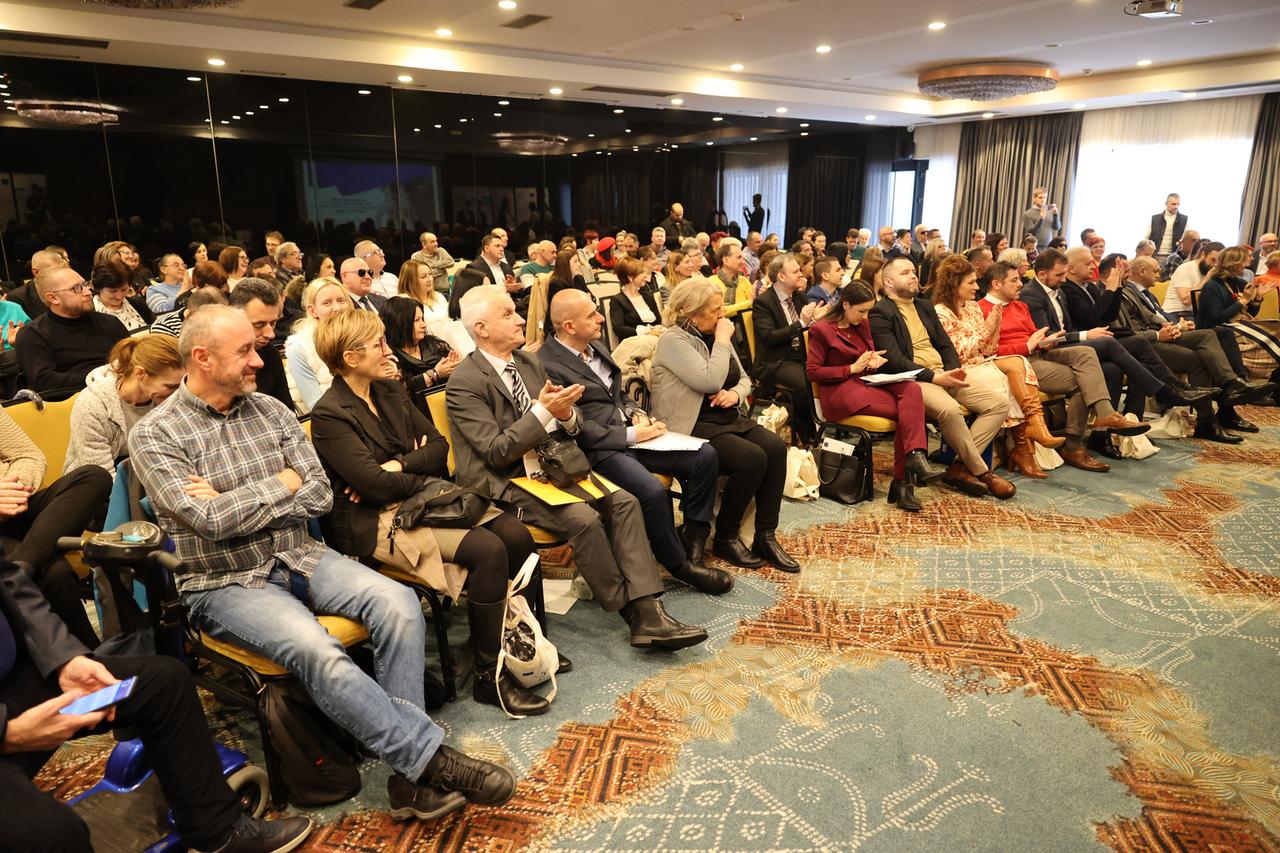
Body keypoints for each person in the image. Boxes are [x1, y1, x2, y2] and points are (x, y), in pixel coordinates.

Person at [130, 305, 515, 820]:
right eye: (244, 352)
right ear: (202, 358)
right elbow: (209, 522)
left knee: (400, 603)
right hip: (225, 580)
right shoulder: (155, 434)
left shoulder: (271, 411)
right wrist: (280, 483)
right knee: (319, 649)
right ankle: (426, 763)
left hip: (301, 554)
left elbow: (317, 495)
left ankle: (410, 773)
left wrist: (239, 496)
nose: (259, 361)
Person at [308, 309, 552, 715]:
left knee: (516, 535)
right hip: (375, 521)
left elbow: (439, 449)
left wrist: (399, 465)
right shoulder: (330, 414)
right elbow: (374, 486)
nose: (389, 351)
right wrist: (407, 467)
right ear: (350, 358)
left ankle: (522, 645)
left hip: (424, 498)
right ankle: (488, 677)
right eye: (378, 344)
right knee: (488, 550)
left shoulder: (388, 390)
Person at [446, 286, 709, 649]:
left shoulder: (527, 362)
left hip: (553, 466)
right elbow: (497, 452)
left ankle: (650, 609)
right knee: (583, 519)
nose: (520, 319)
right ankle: (630, 612)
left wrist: (567, 415)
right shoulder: (464, 382)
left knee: (624, 502)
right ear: (481, 328)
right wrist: (544, 411)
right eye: (508, 314)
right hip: (506, 481)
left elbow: (570, 425)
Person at [0, 557, 314, 853]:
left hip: (16, 684)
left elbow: (8, 578)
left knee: (164, 683)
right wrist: (9, 733)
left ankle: (218, 834)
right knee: (55, 833)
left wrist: (64, 658)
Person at [541, 289, 730, 593]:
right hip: (598, 449)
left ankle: (693, 540)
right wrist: (629, 434)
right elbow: (570, 426)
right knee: (651, 490)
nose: (601, 318)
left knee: (705, 455)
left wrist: (636, 413)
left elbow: (617, 394)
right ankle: (679, 566)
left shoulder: (594, 346)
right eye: (592, 315)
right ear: (569, 326)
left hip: (631, 435)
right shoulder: (547, 364)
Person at [650, 278, 799, 571]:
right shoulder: (674, 340)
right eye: (715, 310)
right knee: (751, 458)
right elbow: (709, 380)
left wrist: (735, 394)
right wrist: (721, 340)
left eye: (722, 308)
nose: (723, 315)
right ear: (693, 314)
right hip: (690, 424)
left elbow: (744, 377)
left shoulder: (716, 332)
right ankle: (726, 536)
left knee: (775, 447)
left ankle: (765, 535)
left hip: (726, 416)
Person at [869, 257, 1016, 499]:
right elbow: (894, 360)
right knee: (951, 410)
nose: (913, 276)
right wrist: (934, 377)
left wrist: (952, 370)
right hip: (914, 379)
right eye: (905, 273)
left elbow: (946, 345)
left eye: (913, 271)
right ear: (888, 282)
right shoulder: (880, 312)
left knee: (999, 403)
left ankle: (960, 466)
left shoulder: (924, 306)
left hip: (943, 373)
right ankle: (982, 472)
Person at [980, 261, 1147, 474]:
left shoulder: (1020, 306)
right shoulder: (981, 309)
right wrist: (1027, 345)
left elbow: (1033, 335)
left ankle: (1105, 415)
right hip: (1016, 362)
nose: (1020, 283)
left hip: (1038, 353)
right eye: (1014, 280)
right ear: (996, 284)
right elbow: (987, 351)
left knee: (1085, 353)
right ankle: (1073, 446)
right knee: (1085, 381)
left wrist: (1047, 340)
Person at [1024, 249, 1211, 427]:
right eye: (1059, 274)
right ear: (1042, 274)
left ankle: (1111, 431)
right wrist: (1107, 296)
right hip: (1058, 348)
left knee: (1114, 368)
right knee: (1131, 342)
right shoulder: (1041, 294)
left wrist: (1117, 287)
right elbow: (1049, 337)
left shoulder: (1061, 290)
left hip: (1081, 342)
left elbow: (1106, 317)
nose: (1063, 278)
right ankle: (1166, 391)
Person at [806, 281, 945, 510]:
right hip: (841, 391)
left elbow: (865, 357)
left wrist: (872, 361)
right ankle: (905, 480)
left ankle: (914, 461)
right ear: (846, 305)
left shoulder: (862, 324)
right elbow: (813, 372)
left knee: (912, 390)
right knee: (909, 413)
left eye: (868, 311)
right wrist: (851, 368)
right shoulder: (821, 330)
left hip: (865, 383)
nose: (865, 316)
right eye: (861, 311)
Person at [931, 256, 1065, 479]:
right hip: (961, 368)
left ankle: (1024, 441)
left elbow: (987, 349)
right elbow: (959, 352)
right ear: (954, 285)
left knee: (1017, 368)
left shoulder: (973, 308)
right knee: (1011, 379)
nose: (977, 287)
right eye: (971, 282)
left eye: (976, 281)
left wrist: (993, 330)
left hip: (982, 363)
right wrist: (989, 328)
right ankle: (1023, 444)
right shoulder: (940, 312)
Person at [1118, 255, 1275, 440]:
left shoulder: (1143, 293)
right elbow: (1216, 317)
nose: (1248, 265)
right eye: (1124, 271)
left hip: (1163, 333)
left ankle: (1232, 389)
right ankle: (1219, 404)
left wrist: (1174, 325)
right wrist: (1168, 329)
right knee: (1206, 347)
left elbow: (1156, 315)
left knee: (1217, 335)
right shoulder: (1124, 293)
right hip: (1147, 343)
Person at [64, 335, 184, 478]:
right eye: (170, 386)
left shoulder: (169, 399)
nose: (178, 393)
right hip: (96, 482)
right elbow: (101, 474)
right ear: (140, 373)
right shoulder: (91, 405)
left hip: (147, 474)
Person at [16, 266, 129, 397]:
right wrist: (102, 378)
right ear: (53, 298)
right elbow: (44, 381)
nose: (88, 292)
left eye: (85, 284)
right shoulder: (32, 335)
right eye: (76, 288)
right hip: (70, 401)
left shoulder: (110, 322)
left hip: (122, 392)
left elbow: (132, 359)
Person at [752, 255, 821, 447]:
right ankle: (809, 436)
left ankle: (827, 425)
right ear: (781, 276)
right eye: (796, 271)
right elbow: (770, 337)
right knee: (805, 384)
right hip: (776, 360)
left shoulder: (799, 296)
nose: (801, 274)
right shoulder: (763, 302)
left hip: (800, 354)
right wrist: (802, 322)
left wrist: (816, 320)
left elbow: (806, 330)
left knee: (829, 372)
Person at [1196, 245, 1280, 397]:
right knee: (1272, 334)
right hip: (1216, 328)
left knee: (1277, 328)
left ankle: (1274, 388)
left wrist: (1258, 297)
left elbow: (1249, 313)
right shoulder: (1212, 286)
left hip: (1238, 324)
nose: (1247, 264)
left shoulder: (1238, 283)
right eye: (1244, 261)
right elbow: (1217, 317)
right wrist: (1242, 302)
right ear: (1233, 263)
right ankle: (1243, 381)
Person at [285, 277, 353, 414]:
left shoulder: (360, 335)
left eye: (341, 300)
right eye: (327, 303)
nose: (337, 308)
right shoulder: (299, 348)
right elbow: (316, 406)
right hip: (332, 419)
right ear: (312, 311)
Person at [227, 277, 293, 411]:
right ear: (233, 318)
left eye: (273, 323)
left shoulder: (270, 354)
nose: (271, 334)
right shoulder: (212, 360)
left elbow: (287, 412)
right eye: (259, 324)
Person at [381, 296, 459, 397]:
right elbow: (401, 390)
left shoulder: (433, 343)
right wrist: (434, 374)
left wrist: (454, 365)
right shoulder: (390, 355)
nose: (423, 325)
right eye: (416, 320)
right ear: (400, 323)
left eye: (422, 319)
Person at [91, 259, 154, 333]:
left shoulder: (138, 304)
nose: (119, 296)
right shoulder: (90, 315)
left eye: (124, 290)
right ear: (98, 288)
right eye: (113, 291)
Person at [609, 256, 664, 342]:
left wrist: (658, 329)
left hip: (655, 339)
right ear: (630, 277)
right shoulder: (617, 300)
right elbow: (619, 329)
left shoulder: (647, 295)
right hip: (635, 342)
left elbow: (658, 320)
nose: (645, 275)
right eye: (641, 272)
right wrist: (647, 332)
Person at [544, 248, 591, 338]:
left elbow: (592, 299)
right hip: (562, 325)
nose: (579, 264)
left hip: (580, 319)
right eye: (575, 261)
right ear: (566, 264)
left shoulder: (578, 279)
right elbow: (562, 311)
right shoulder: (556, 283)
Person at [396, 258, 450, 325]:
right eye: (423, 277)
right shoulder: (404, 304)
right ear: (410, 281)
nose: (430, 279)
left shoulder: (439, 296)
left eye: (430, 274)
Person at [1145, 193, 1188, 260]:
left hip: (1174, 258)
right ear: (1166, 204)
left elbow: (1187, 238)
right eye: (1173, 204)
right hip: (1155, 256)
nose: (1176, 207)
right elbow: (1146, 238)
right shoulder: (1155, 219)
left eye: (1178, 204)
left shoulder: (1184, 220)